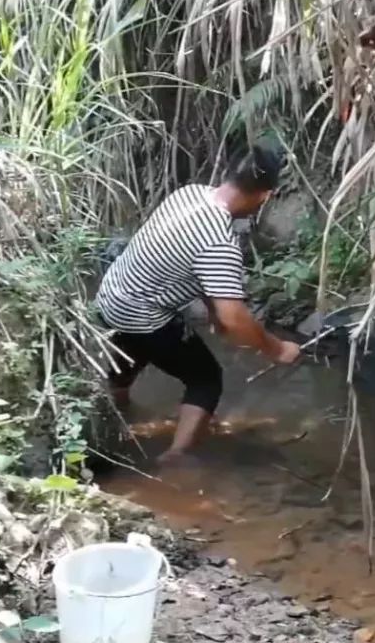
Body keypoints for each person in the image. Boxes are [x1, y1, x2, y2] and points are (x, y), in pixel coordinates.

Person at [95, 145, 301, 464]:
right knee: (205, 379)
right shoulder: (220, 242)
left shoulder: (190, 194)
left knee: (134, 351)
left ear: (230, 173)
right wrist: (277, 349)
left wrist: (211, 309)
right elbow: (235, 319)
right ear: (265, 196)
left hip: (112, 295)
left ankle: (112, 414)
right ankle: (176, 457)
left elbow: (191, 266)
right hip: (143, 313)